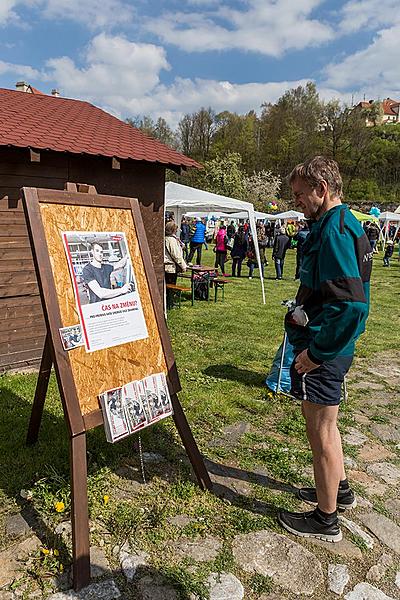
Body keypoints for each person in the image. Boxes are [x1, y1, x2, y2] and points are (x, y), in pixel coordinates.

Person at [278, 156, 372, 543]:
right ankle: (340, 491)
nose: (297, 201)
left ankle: (325, 518)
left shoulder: (334, 231)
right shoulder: (347, 222)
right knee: (328, 427)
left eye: (301, 195)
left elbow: (350, 304)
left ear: (322, 188)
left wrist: (315, 354)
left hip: (325, 350)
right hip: (335, 343)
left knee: (320, 432)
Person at [164, 221, 187, 307]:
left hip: (168, 266)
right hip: (170, 267)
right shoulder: (171, 240)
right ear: (173, 229)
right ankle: (170, 303)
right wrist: (183, 266)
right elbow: (176, 255)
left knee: (169, 286)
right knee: (171, 286)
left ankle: (169, 302)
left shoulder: (167, 238)